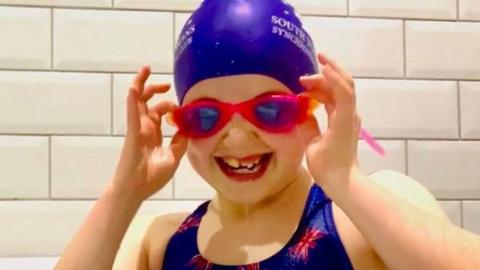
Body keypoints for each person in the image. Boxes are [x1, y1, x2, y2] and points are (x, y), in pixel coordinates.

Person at [54, 0, 480, 269]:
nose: (237, 137)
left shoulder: (360, 216)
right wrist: (123, 193)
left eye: (270, 110)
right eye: (205, 117)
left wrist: (345, 178)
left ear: (309, 108)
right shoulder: (161, 239)